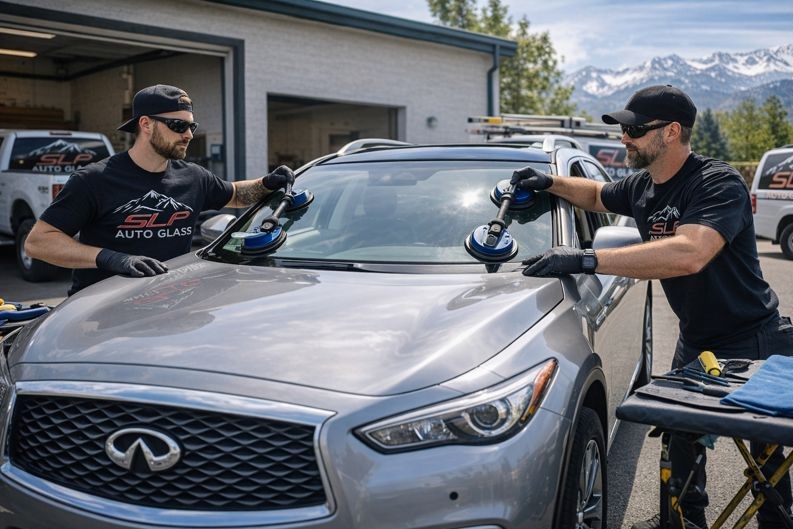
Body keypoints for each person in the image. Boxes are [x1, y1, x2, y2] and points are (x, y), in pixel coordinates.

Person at [513, 84, 793, 529]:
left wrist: (588, 259)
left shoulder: (717, 183)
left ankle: (778, 521)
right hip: (697, 340)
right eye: (623, 129)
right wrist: (549, 182)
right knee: (681, 440)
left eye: (634, 130)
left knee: (765, 450)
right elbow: (594, 194)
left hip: (751, 337)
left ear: (672, 132)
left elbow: (690, 253)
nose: (624, 137)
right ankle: (684, 522)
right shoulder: (643, 186)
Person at [25, 84, 295, 296]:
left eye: (191, 126)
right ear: (145, 124)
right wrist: (110, 258)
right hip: (100, 311)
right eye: (178, 126)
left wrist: (266, 183)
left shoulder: (193, 177)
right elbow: (38, 242)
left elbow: (234, 195)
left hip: (168, 306)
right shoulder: (95, 179)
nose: (188, 134)